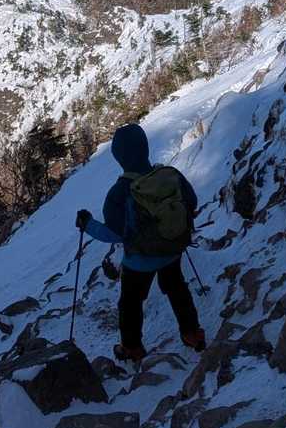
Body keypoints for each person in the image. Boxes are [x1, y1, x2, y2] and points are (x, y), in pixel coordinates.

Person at [75, 123, 205, 362]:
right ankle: (192, 334)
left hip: (139, 260)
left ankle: (132, 347)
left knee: (131, 302)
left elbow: (114, 233)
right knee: (177, 289)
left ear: (119, 157)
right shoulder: (169, 175)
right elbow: (191, 202)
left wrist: (88, 224)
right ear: (145, 147)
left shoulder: (119, 192)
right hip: (172, 248)